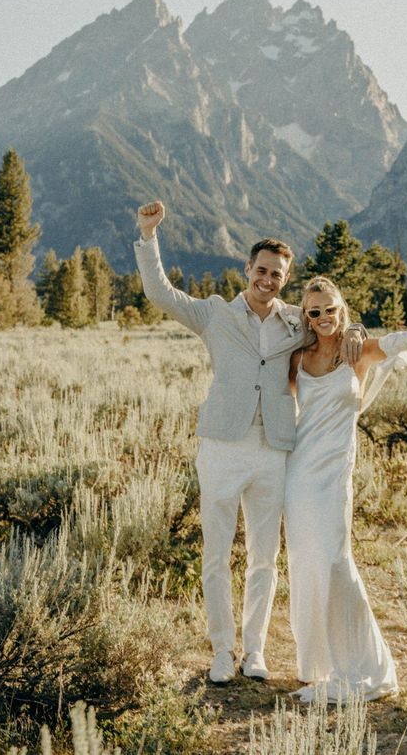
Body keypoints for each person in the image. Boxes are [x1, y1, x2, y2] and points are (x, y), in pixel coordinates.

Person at [133, 201, 364, 685]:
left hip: (273, 449)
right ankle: (222, 651)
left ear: (285, 279)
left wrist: (357, 331)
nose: (268, 279)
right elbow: (160, 293)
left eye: (277, 274)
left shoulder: (295, 323)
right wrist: (149, 235)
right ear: (247, 270)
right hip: (220, 447)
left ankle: (255, 650)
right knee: (216, 554)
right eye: (262, 270)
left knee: (264, 556)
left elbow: (331, 324)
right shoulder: (215, 314)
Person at [285, 269, 407, 703]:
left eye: (330, 310)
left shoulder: (361, 351)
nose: (323, 318)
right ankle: (313, 663)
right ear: (305, 315)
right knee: (305, 562)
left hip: (334, 474)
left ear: (341, 308)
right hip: (298, 475)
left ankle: (359, 665)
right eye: (314, 312)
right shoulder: (297, 358)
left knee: (335, 561)